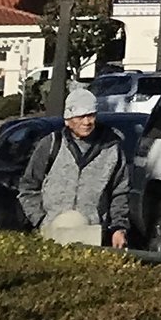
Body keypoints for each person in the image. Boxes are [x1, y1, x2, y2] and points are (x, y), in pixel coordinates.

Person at [18, 95, 134, 247]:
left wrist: (119, 228)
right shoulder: (51, 144)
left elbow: (120, 193)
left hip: (94, 236)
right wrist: (41, 220)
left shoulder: (112, 148)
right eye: (80, 116)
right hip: (53, 236)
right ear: (68, 119)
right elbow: (28, 187)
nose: (87, 122)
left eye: (91, 115)